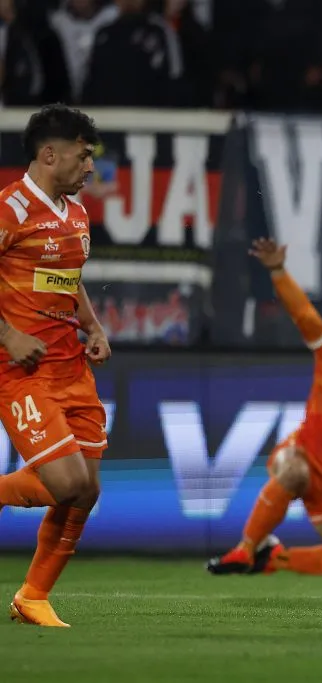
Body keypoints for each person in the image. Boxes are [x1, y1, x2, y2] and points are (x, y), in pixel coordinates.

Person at [206, 238, 322, 577]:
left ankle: (272, 559)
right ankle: (244, 550)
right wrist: (277, 271)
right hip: (301, 454)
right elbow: (304, 314)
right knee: (293, 472)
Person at [0, 104, 111, 627]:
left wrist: (92, 326)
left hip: (71, 369)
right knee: (66, 483)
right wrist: (8, 334)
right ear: (50, 154)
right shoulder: (12, 209)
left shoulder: (76, 213)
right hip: (21, 371)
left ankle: (33, 597)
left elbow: (70, 277)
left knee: (86, 490)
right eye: (83, 156)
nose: (90, 167)